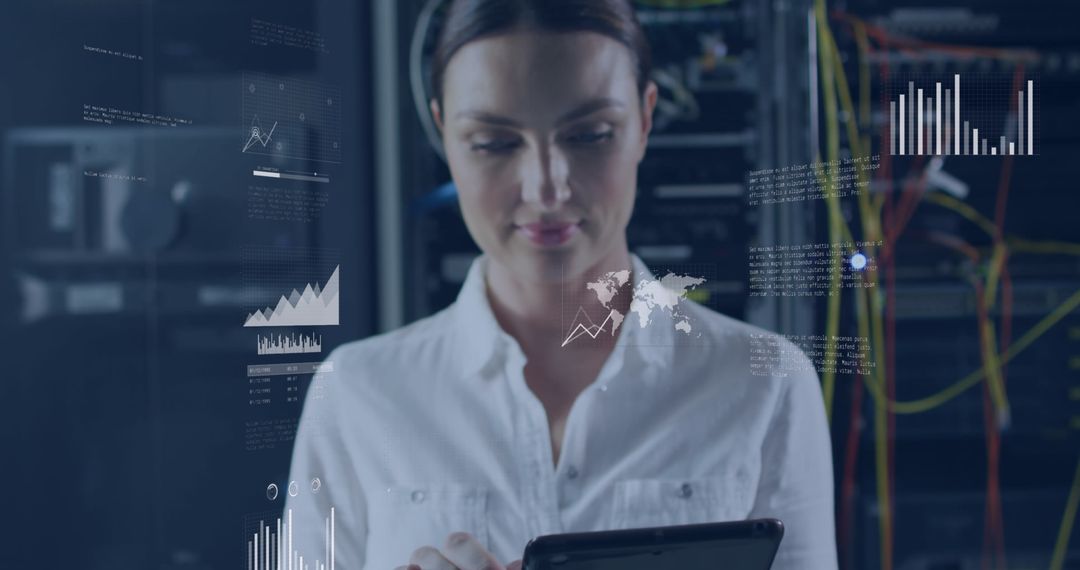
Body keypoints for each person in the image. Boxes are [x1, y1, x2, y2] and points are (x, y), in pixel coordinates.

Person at [286, 0, 837, 568]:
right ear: (443, 132)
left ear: (645, 121)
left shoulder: (765, 385)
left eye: (591, 135)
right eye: (494, 143)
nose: (546, 187)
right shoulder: (356, 395)